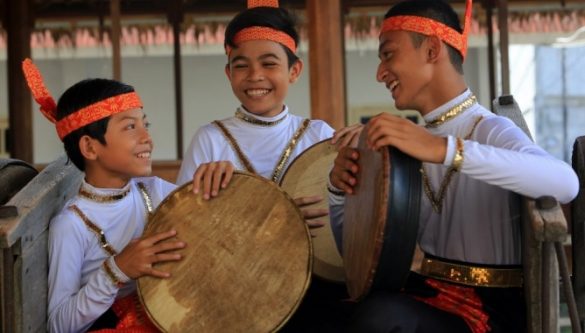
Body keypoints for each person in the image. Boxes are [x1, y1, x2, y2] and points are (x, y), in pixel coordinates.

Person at [328, 0, 579, 332]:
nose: (379, 73)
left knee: (381, 320)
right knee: (326, 309)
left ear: (432, 50)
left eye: (388, 55)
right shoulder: (409, 143)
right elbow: (357, 260)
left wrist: (442, 148)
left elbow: (565, 182)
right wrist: (340, 190)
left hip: (489, 312)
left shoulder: (489, 128)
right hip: (427, 293)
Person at [175, 1, 359, 331]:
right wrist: (276, 221)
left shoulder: (320, 136)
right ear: (229, 73)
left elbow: (348, 215)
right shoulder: (211, 139)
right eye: (241, 65)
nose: (255, 76)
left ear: (294, 70)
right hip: (237, 291)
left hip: (317, 288)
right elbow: (187, 233)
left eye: (269, 63)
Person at [22, 59, 186, 333]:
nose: (147, 138)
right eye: (130, 127)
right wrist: (116, 270)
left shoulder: (155, 192)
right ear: (89, 146)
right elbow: (60, 325)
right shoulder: (71, 225)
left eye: (146, 124)